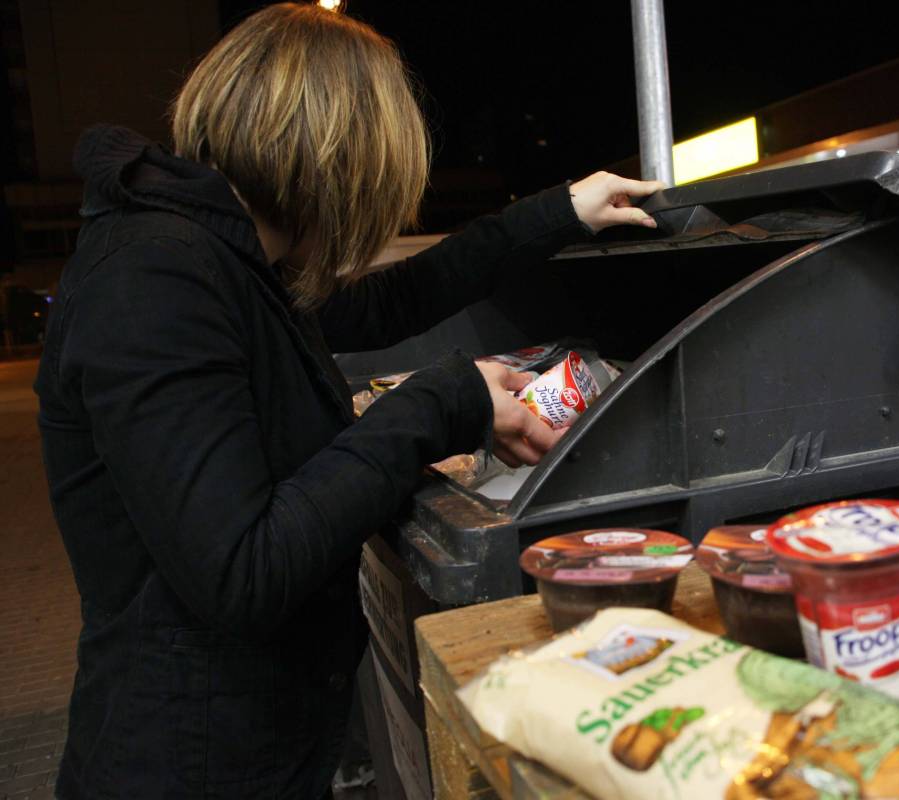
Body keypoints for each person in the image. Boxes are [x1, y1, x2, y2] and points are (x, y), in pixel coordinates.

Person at [34, 4, 663, 797]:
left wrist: (557, 212)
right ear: (337, 165)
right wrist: (443, 402)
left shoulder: (228, 257)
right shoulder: (156, 279)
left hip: (252, 747)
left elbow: (391, 303)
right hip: (185, 766)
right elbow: (243, 570)